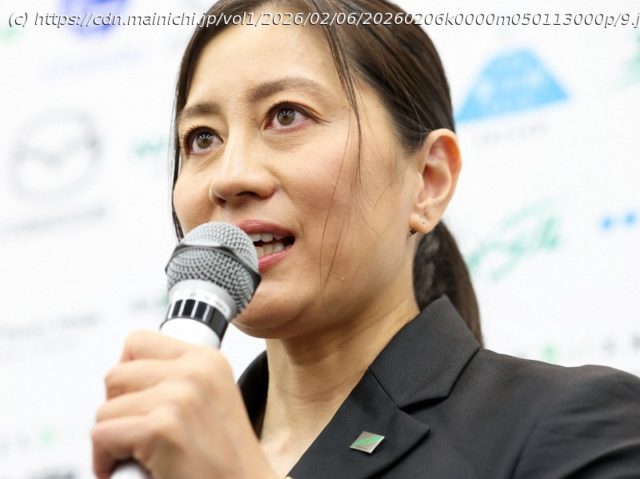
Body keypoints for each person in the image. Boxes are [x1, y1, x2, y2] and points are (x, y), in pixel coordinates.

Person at [91, 0, 640, 477]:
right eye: (202, 138)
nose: (230, 176)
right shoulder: (163, 457)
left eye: (286, 115)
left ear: (428, 180)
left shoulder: (574, 422)